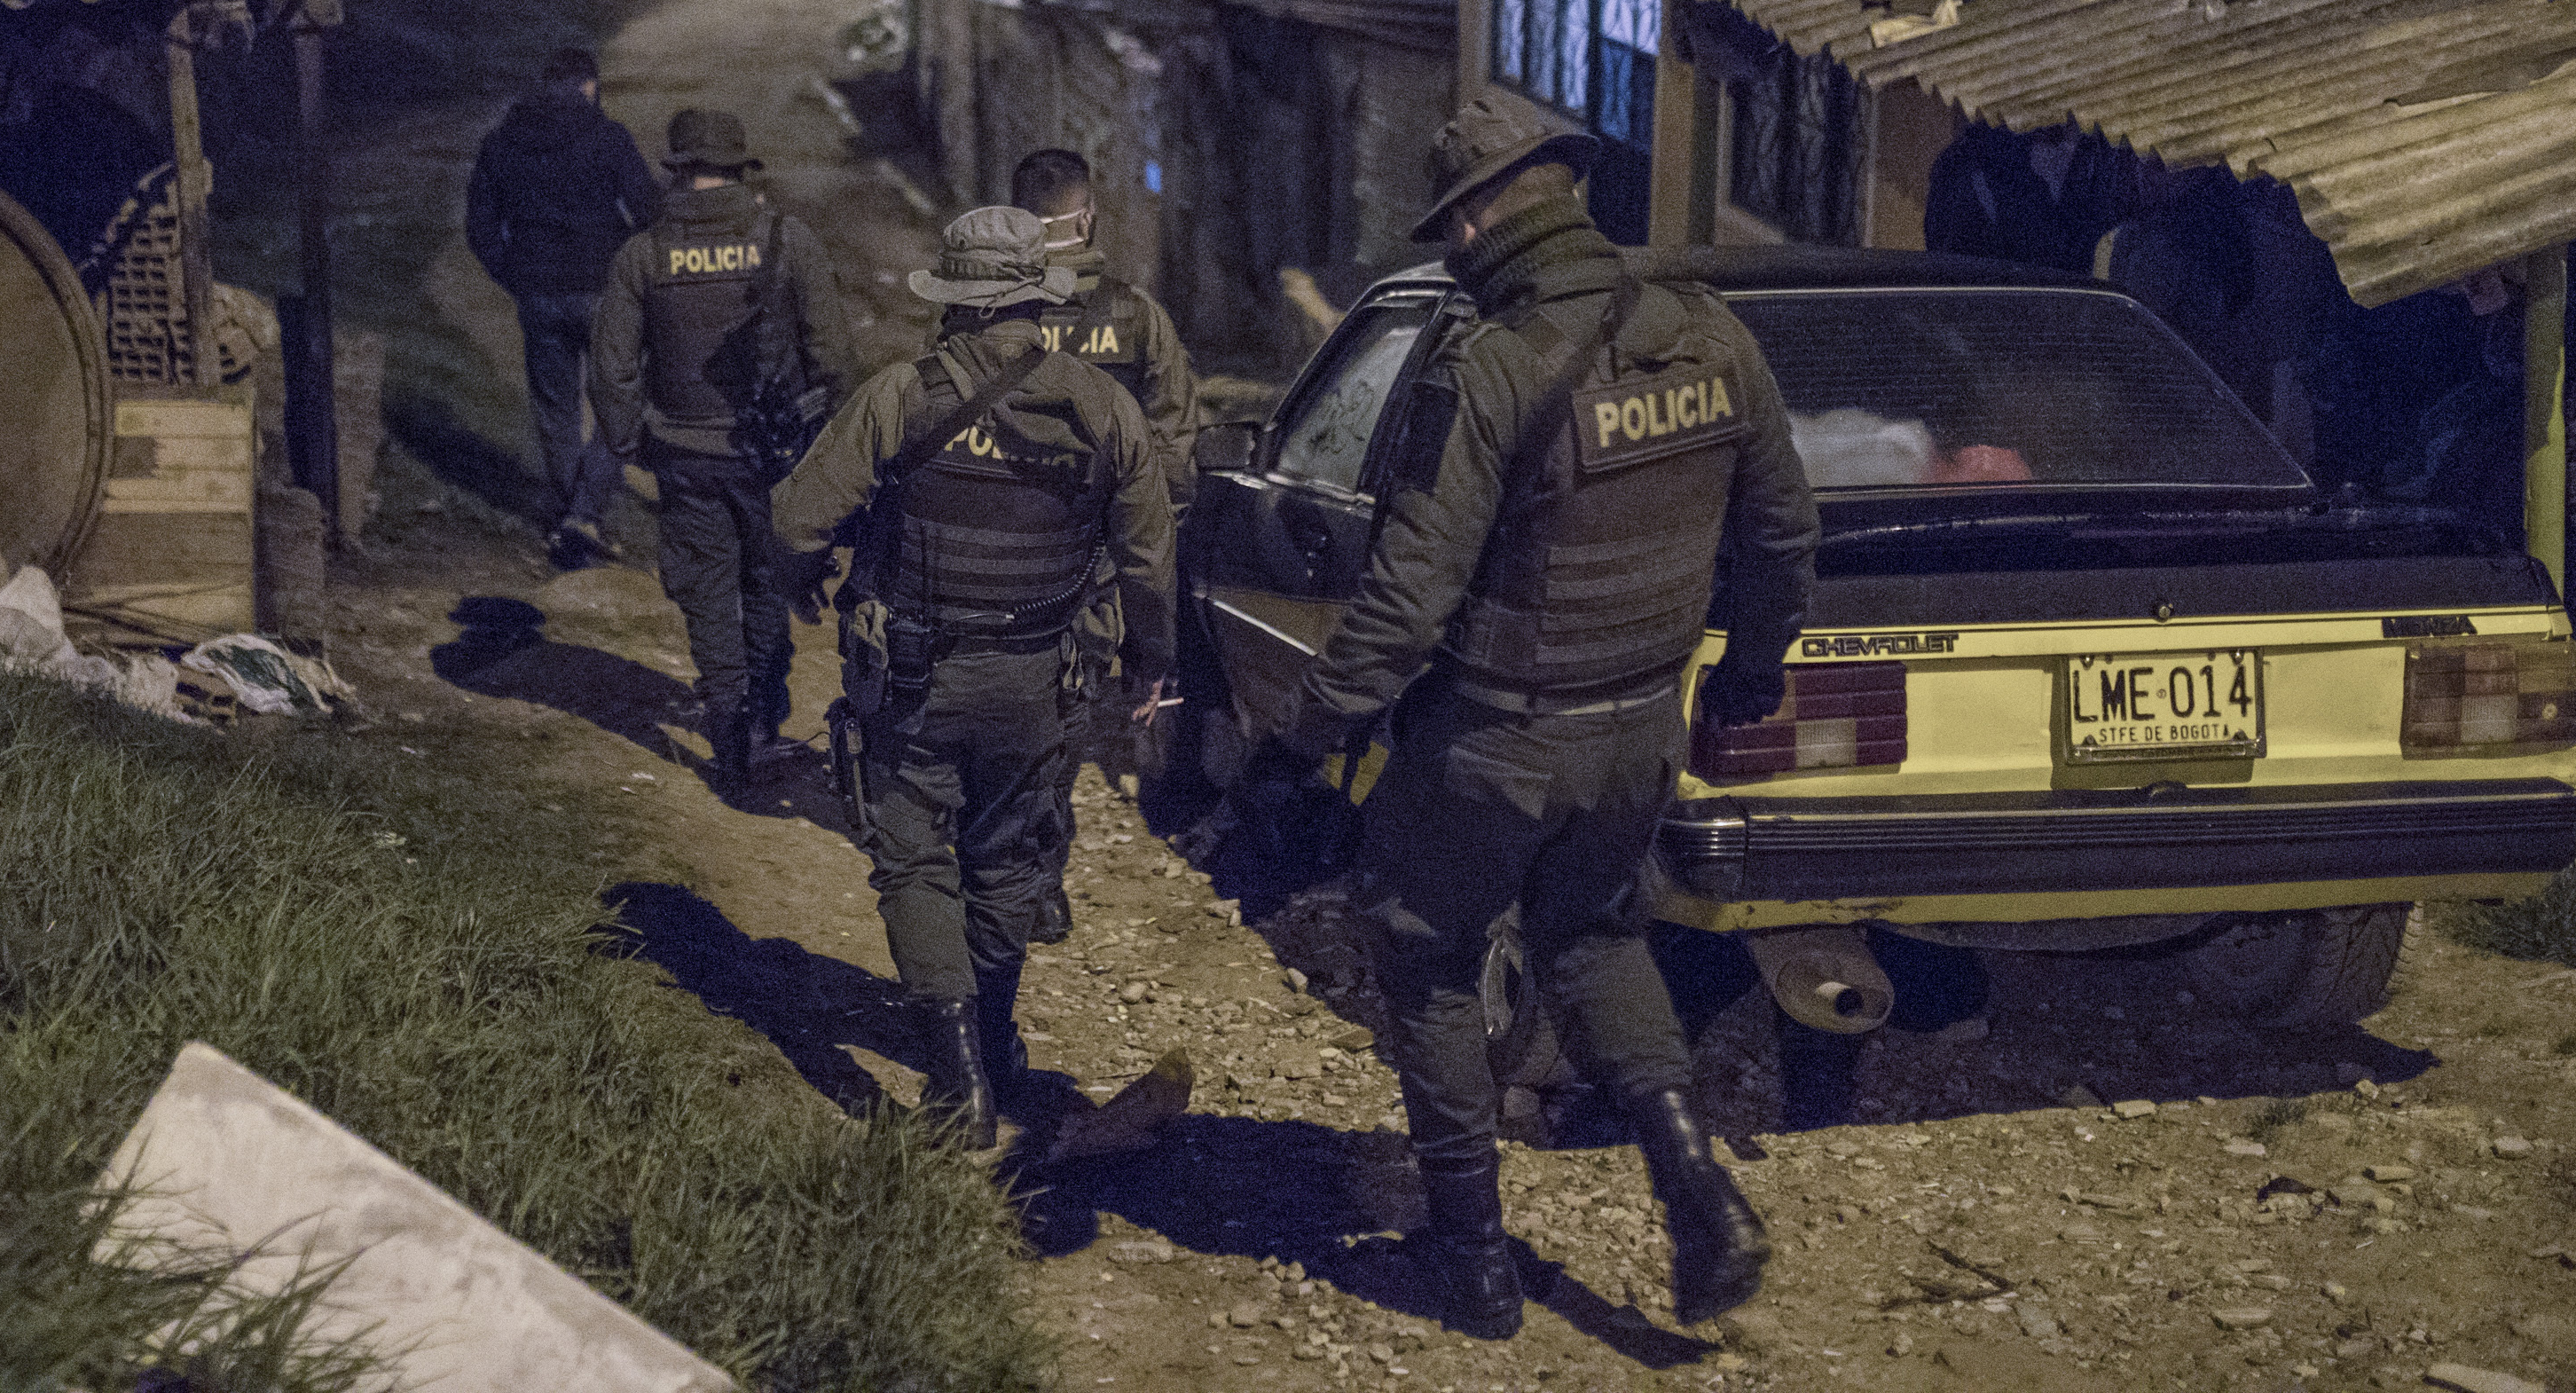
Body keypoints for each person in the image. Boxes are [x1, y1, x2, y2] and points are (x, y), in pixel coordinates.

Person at [1246, 85, 1814, 1338]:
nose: (1451, 246)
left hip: (1497, 739)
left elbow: (1404, 603)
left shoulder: (1492, 367)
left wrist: (1306, 733)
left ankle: (1475, 1262)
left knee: (1433, 959)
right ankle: (1699, 1196)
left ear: (1484, 219)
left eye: (1454, 221)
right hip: (1636, 731)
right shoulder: (1713, 335)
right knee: (1599, 939)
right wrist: (1748, 671)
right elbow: (1782, 529)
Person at [773, 208, 1176, 1147]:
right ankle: (995, 1047)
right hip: (1043, 683)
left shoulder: (899, 397)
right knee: (1005, 861)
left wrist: (806, 583)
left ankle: (959, 1092)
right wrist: (1151, 664)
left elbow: (796, 522)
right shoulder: (1103, 409)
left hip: (914, 680)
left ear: (955, 301)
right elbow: (1150, 566)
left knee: (913, 859)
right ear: (1040, 298)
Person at [592, 109, 857, 793]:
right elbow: (833, 355)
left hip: (684, 451)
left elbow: (613, 366)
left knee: (707, 589)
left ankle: (729, 724)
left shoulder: (643, 254)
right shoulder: (787, 239)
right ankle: (766, 720)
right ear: (741, 172)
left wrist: (630, 441)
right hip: (774, 454)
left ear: (676, 172)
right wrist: (830, 445)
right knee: (768, 581)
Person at [464, 46, 661, 568]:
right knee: (623, 402)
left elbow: (481, 229)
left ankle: (570, 515)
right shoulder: (608, 139)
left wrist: (515, 276)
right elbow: (648, 210)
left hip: (539, 293)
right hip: (605, 290)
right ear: (589, 87)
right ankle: (586, 512)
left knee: (556, 409)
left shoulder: (502, 144)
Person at [1009, 150, 1198, 501]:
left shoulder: (974, 311)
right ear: (1085, 221)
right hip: (1100, 544)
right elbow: (1172, 452)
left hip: (1001, 534)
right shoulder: (1140, 315)